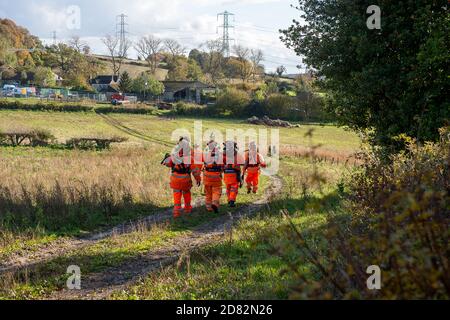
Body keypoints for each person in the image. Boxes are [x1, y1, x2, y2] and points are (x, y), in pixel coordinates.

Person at [162, 137, 195, 218]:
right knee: (186, 193)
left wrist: (166, 158)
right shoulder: (190, 157)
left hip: (175, 180)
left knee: (177, 195)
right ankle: (187, 209)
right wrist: (198, 179)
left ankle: (176, 212)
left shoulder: (173, 155)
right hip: (186, 180)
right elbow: (195, 170)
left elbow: (166, 163)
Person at [203, 140, 224, 213]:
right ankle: (214, 203)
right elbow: (223, 165)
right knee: (216, 191)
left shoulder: (205, 154)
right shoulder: (220, 154)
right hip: (216, 176)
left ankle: (209, 208)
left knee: (208, 192)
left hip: (207, 176)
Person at [223, 140, 243, 207]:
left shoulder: (223, 154)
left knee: (228, 187)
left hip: (226, 174)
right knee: (234, 188)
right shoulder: (237, 154)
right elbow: (242, 162)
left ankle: (229, 200)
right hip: (234, 174)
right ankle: (232, 200)